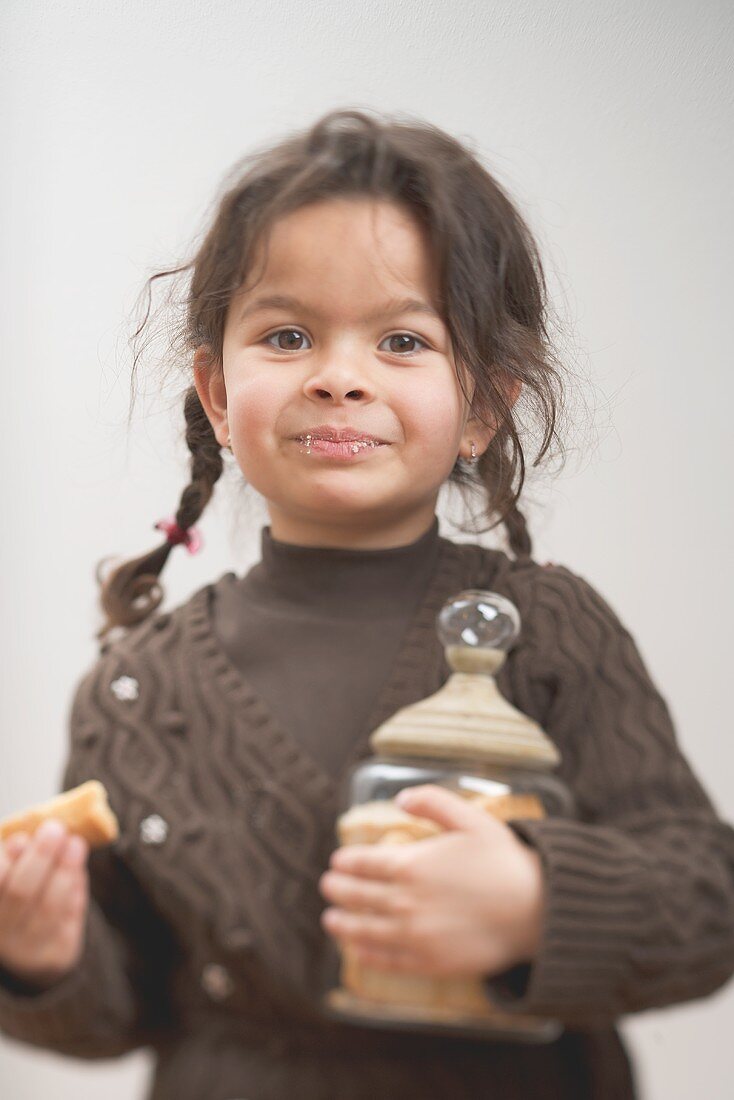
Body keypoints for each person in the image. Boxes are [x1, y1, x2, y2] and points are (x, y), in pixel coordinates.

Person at [0, 107, 732, 1100]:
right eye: (288, 334)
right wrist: (41, 953)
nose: (339, 378)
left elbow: (705, 895)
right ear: (216, 394)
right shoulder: (135, 689)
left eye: (400, 339)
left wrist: (535, 903)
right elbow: (123, 1005)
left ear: (481, 404)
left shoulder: (550, 632)